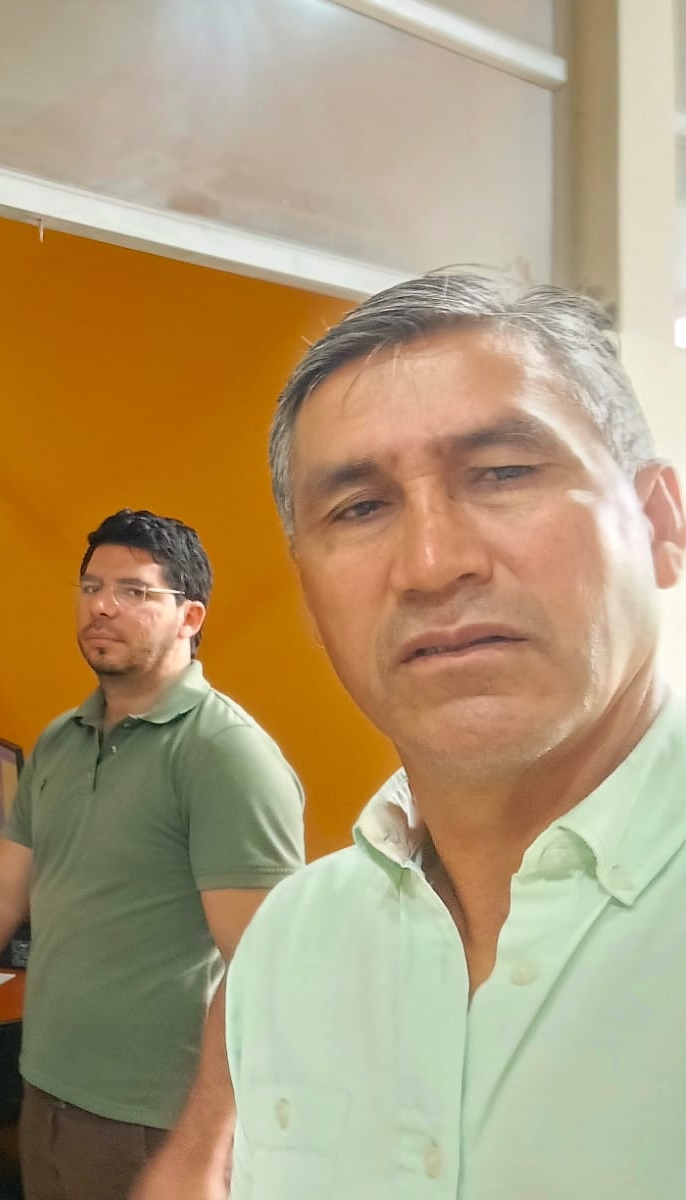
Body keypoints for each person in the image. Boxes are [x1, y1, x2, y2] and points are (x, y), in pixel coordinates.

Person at [221, 272, 686, 1198]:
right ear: (311, 598)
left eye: (503, 473)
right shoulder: (293, 942)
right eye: (360, 508)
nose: (433, 565)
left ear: (659, 524)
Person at [0, 509, 305, 1200]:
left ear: (190, 617)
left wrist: (204, 1147)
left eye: (134, 591)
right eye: (91, 587)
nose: (103, 606)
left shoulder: (222, 754)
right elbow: (0, 891)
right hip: (48, 1090)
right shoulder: (62, 739)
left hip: (156, 1121)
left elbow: (266, 969)